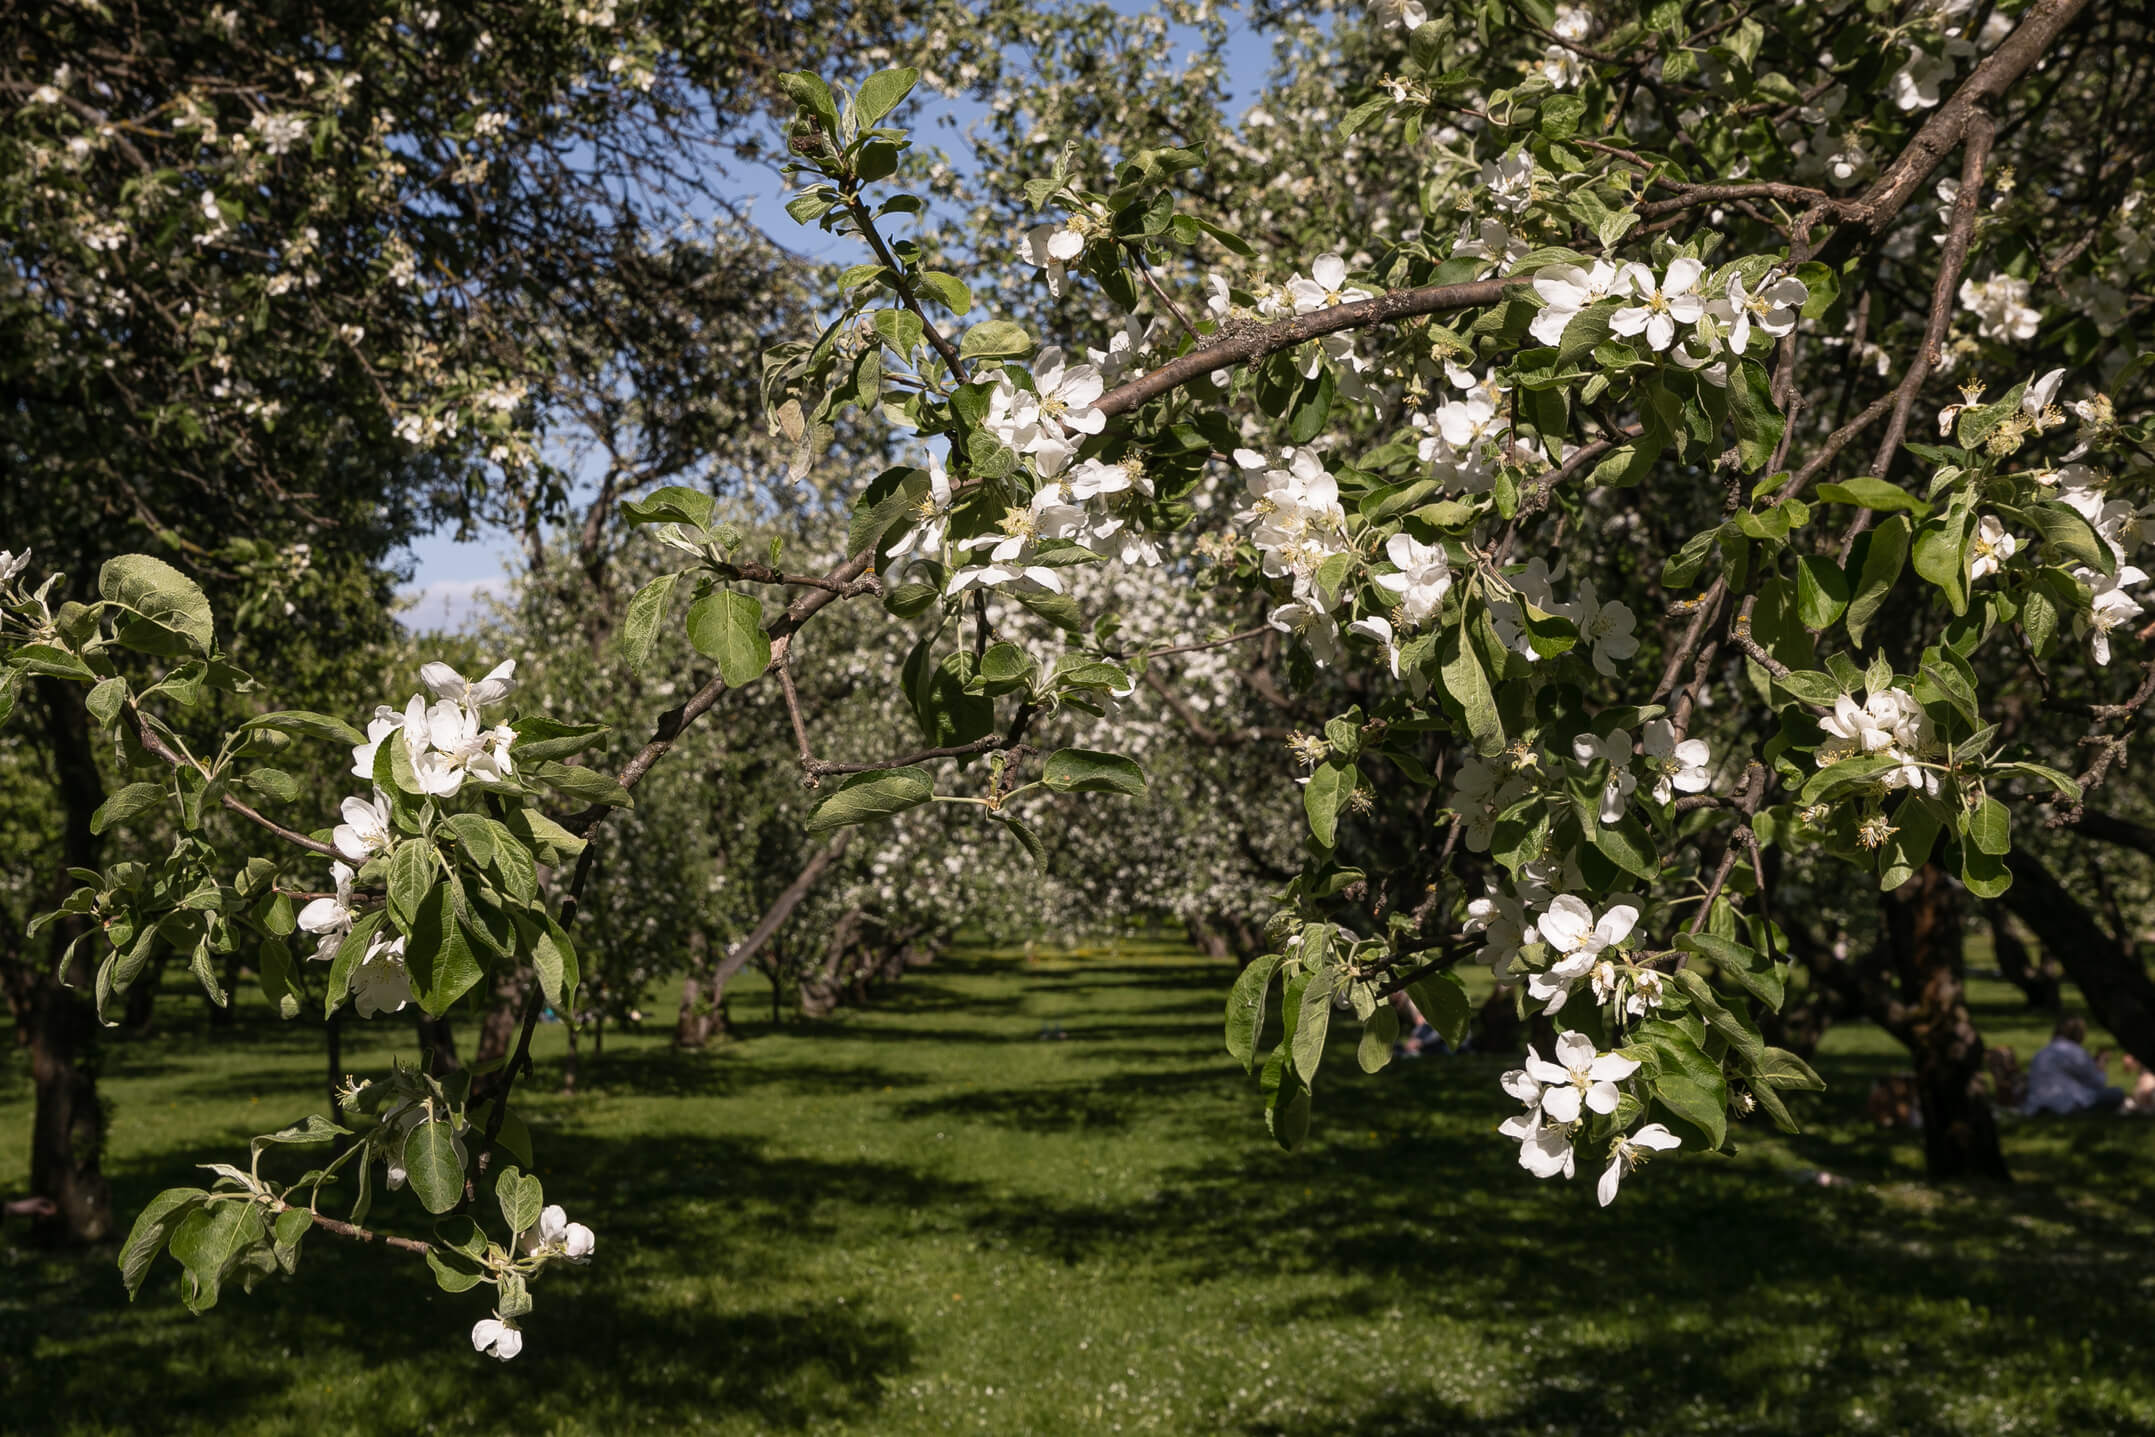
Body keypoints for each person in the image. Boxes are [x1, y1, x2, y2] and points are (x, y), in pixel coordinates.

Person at [2023, 1017, 2126, 1116]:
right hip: (2067, 1104)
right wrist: (2101, 1064)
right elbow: (2097, 1084)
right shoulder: (2075, 1052)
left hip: (2036, 1104)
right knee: (2116, 1093)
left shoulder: (2042, 1052)